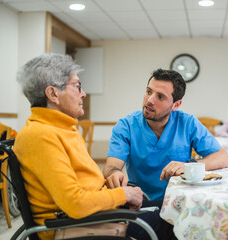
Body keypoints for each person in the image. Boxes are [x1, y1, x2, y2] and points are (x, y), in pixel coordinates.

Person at [14, 54, 176, 240]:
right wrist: (123, 194)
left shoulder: (63, 129)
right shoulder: (40, 135)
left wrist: (120, 193)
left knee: (176, 207)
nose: (83, 94)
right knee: (176, 222)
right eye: (77, 86)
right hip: (75, 228)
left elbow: (87, 185)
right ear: (53, 94)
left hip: (98, 215)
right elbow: (75, 203)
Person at [104, 69, 228, 200]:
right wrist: (114, 174)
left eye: (160, 97)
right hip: (141, 203)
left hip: (181, 201)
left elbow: (223, 158)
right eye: (148, 92)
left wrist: (189, 167)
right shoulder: (126, 126)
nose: (149, 100)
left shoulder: (187, 123)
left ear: (176, 104)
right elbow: (111, 167)